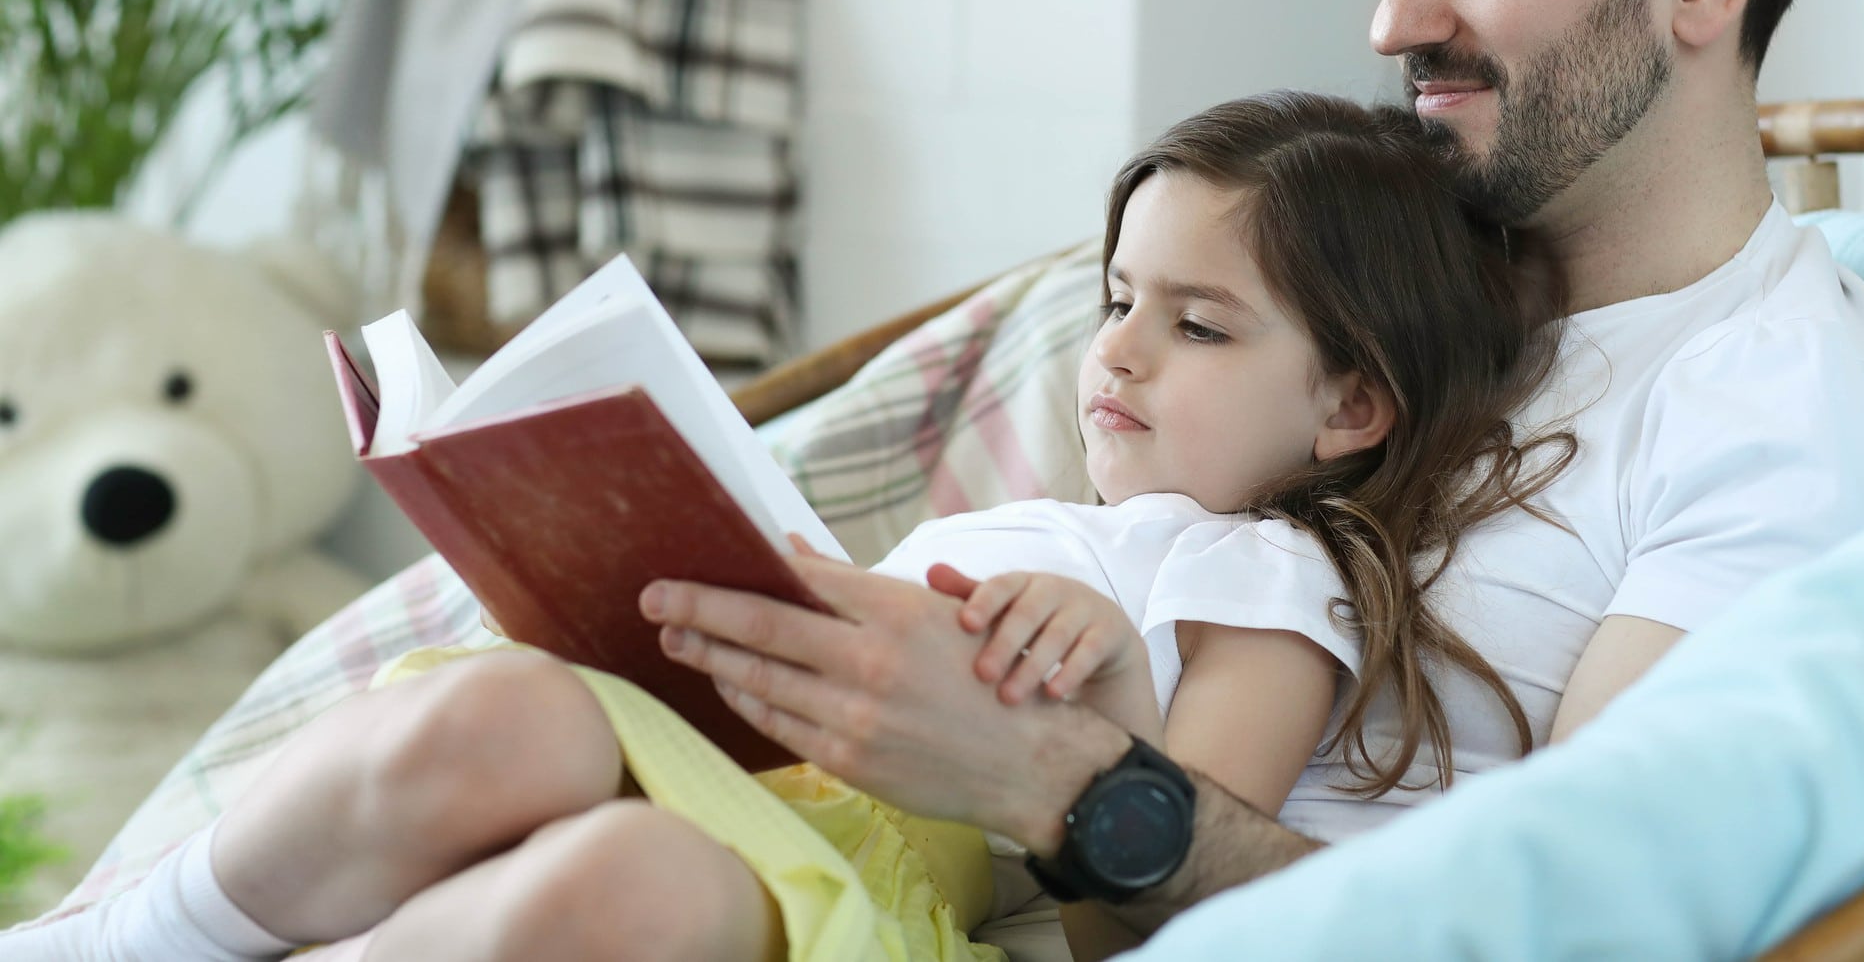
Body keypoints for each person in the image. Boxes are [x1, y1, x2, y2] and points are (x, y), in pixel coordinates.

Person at [636, 0, 1864, 958]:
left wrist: (1048, 774)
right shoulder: (1357, 281)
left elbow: (1572, 930)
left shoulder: (1784, 408)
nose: (1392, 19)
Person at [7, 93, 1576, 962]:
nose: (1113, 351)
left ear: (1352, 408)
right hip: (733, 758)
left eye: (1199, 326)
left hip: (861, 874)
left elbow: (1156, 907)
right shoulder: (1032, 510)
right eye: (1114, 303)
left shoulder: (1263, 569)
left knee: (623, 889)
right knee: (497, 713)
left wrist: (1102, 705)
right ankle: (125, 940)